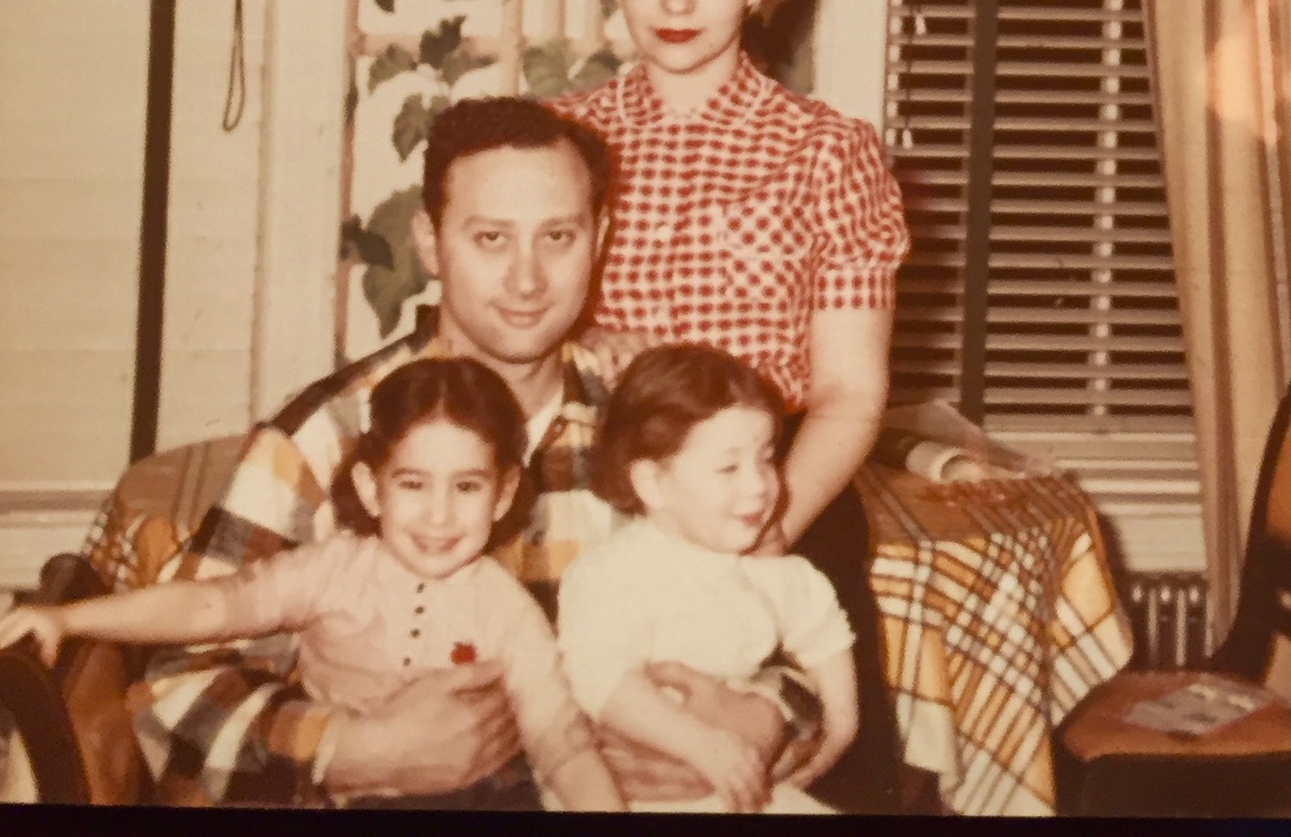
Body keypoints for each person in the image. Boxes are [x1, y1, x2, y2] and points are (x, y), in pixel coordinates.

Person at [129, 98, 813, 805]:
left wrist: (767, 718)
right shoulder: (327, 435)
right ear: (431, 242)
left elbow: (794, 627)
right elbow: (173, 684)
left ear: (600, 237)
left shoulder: (658, 427)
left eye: (558, 237)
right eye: (491, 239)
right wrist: (344, 747)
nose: (527, 279)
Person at [551, 0, 912, 810]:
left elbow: (850, 394)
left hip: (774, 492)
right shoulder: (561, 139)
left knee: (794, 772)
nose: (676, 1)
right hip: (598, 496)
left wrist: (768, 526)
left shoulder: (826, 151)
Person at [0, 358, 623, 811]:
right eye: (412, 484)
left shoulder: (508, 611)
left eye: (466, 487)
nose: (439, 516)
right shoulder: (333, 570)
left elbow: (564, 746)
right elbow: (212, 604)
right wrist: (69, 618)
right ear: (371, 489)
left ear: (503, 494)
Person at [558, 344, 857, 815]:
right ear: (652, 483)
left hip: (737, 780)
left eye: (766, 459)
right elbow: (600, 676)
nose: (758, 485)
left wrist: (840, 725)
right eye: (728, 467)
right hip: (632, 792)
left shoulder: (773, 573)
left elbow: (825, 633)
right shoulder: (611, 573)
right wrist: (701, 744)